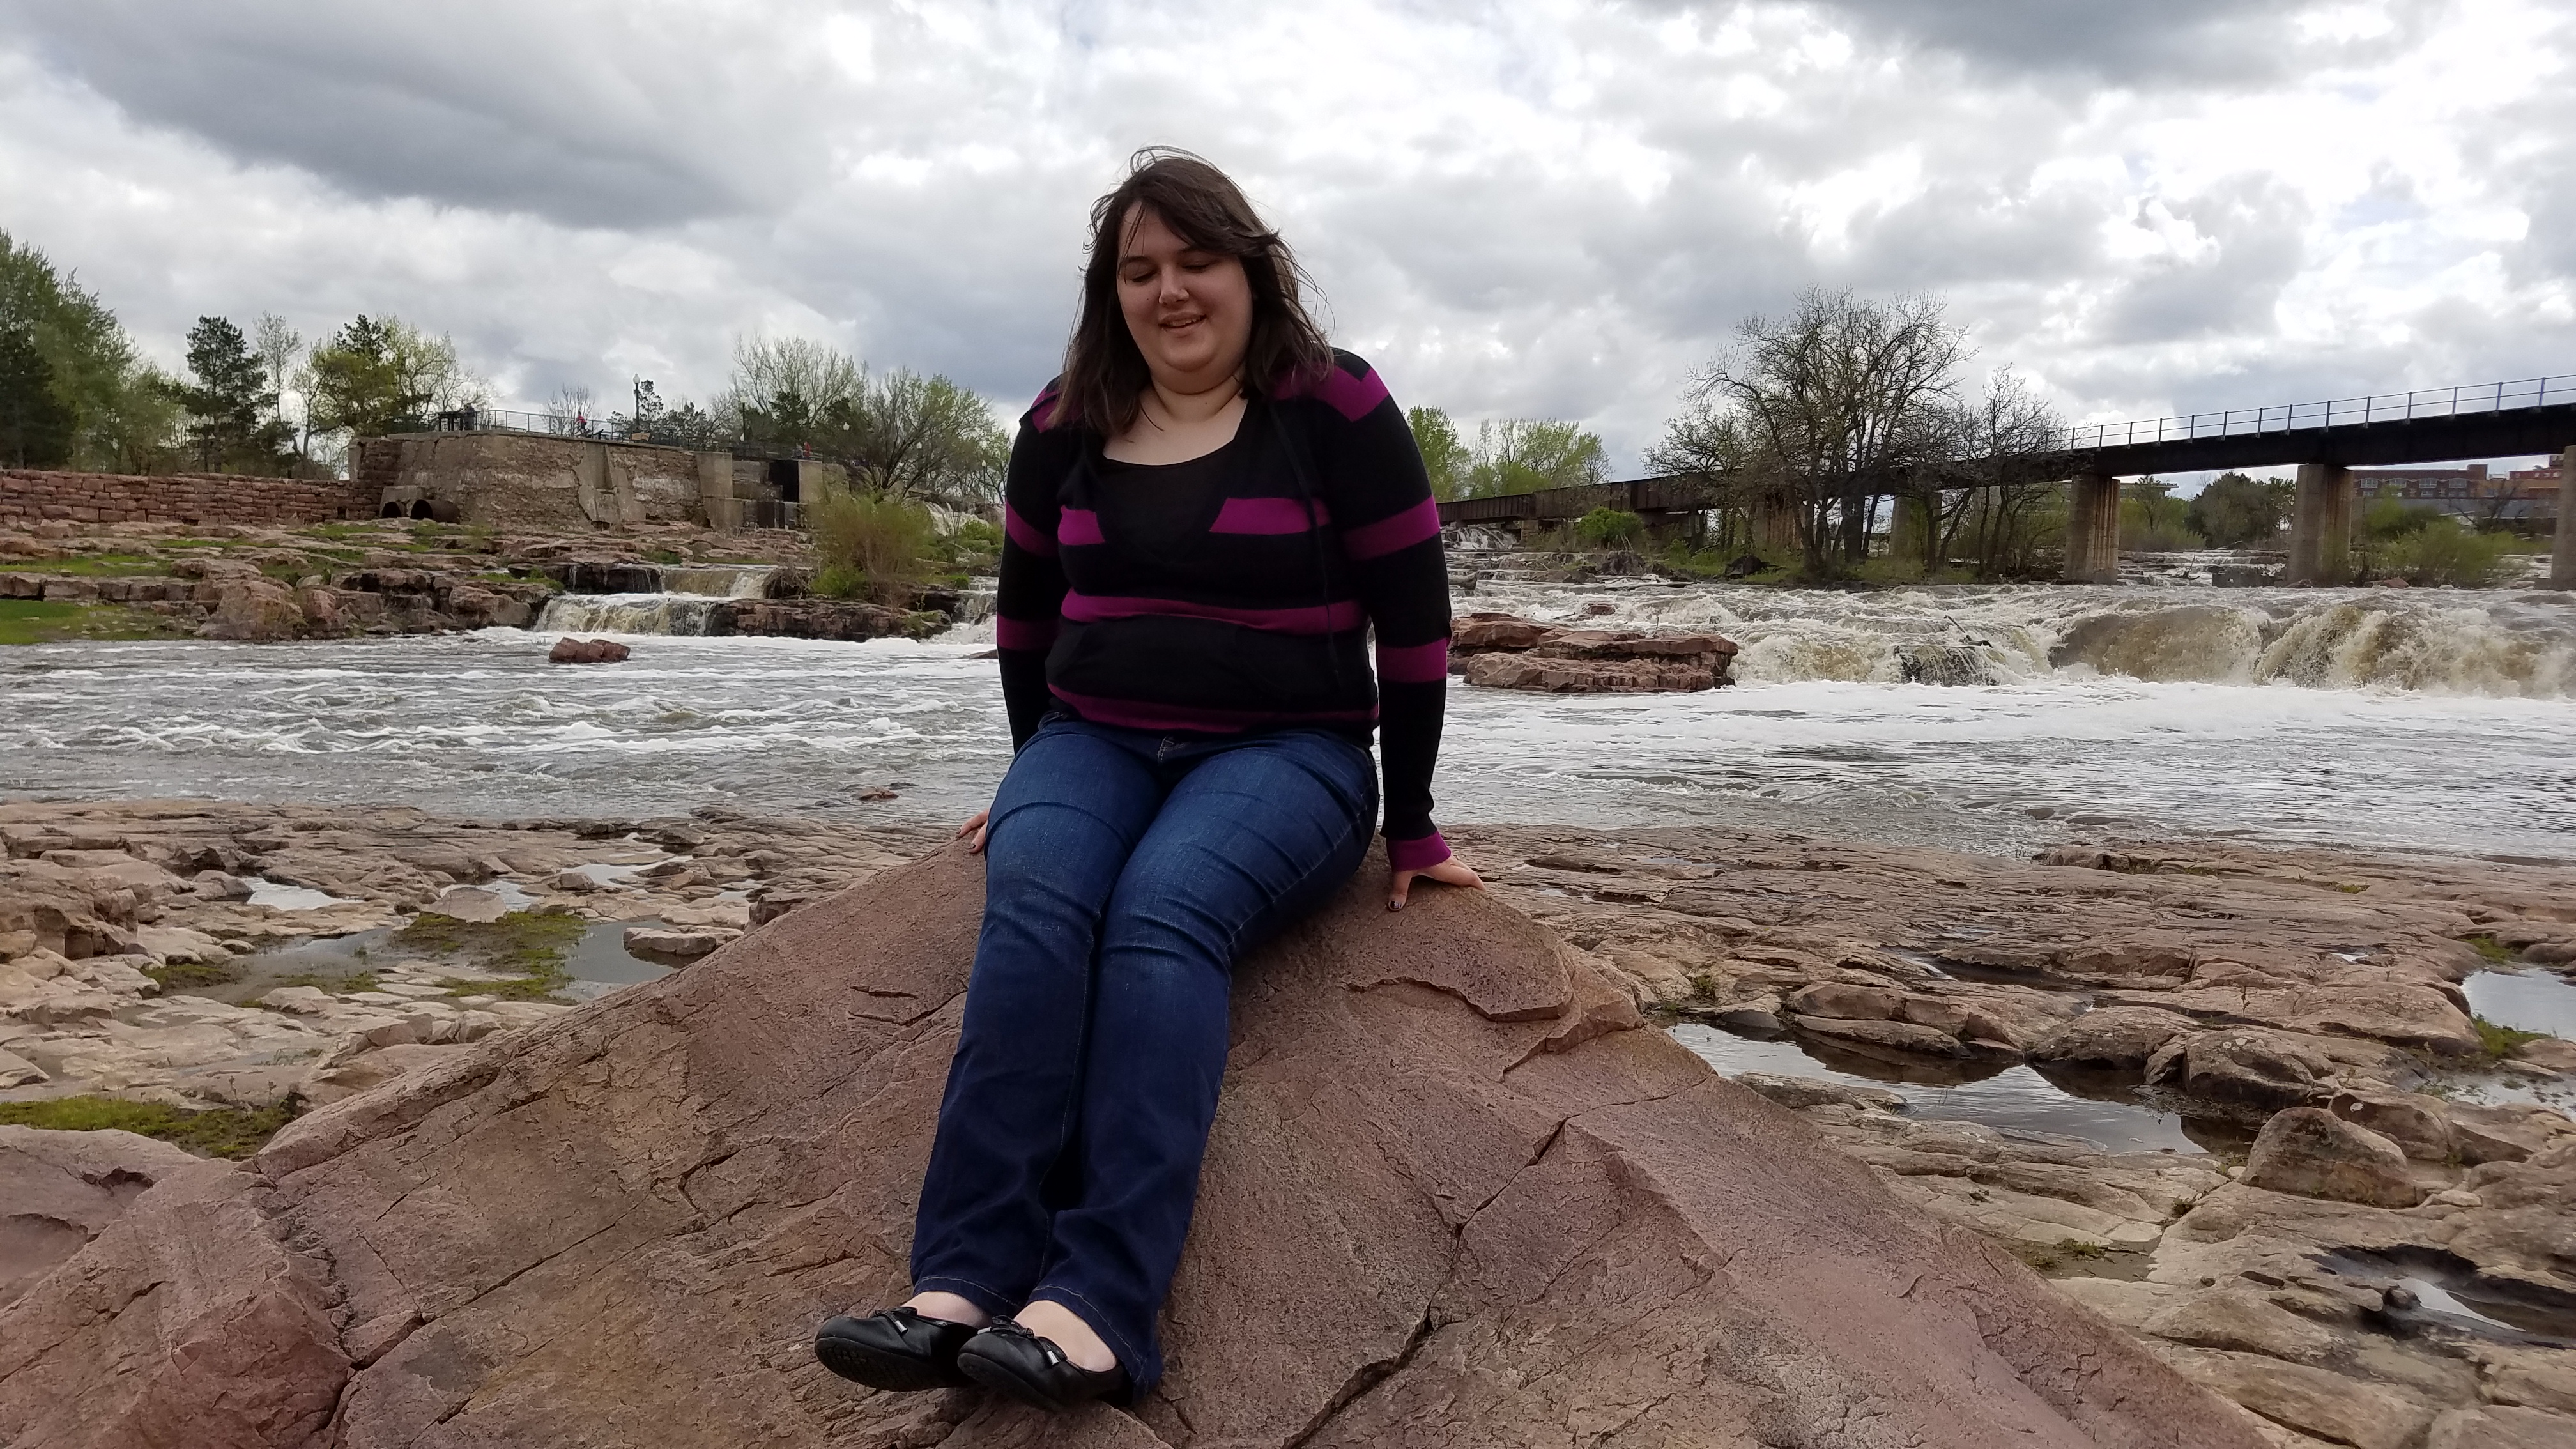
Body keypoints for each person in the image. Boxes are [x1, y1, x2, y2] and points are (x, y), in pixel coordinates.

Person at [813, 148, 1478, 1413]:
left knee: (1163, 912)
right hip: (1094, 738)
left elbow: (1415, 628)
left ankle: (1098, 1307)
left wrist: (1414, 825)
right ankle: (957, 1286)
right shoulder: (1064, 421)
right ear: (1109, 293)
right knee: (1037, 898)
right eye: (1140, 270)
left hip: (1291, 753)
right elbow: (1025, 621)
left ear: (1253, 271)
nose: (1170, 290)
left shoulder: (1334, 406)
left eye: (1197, 261)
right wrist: (1031, 774)